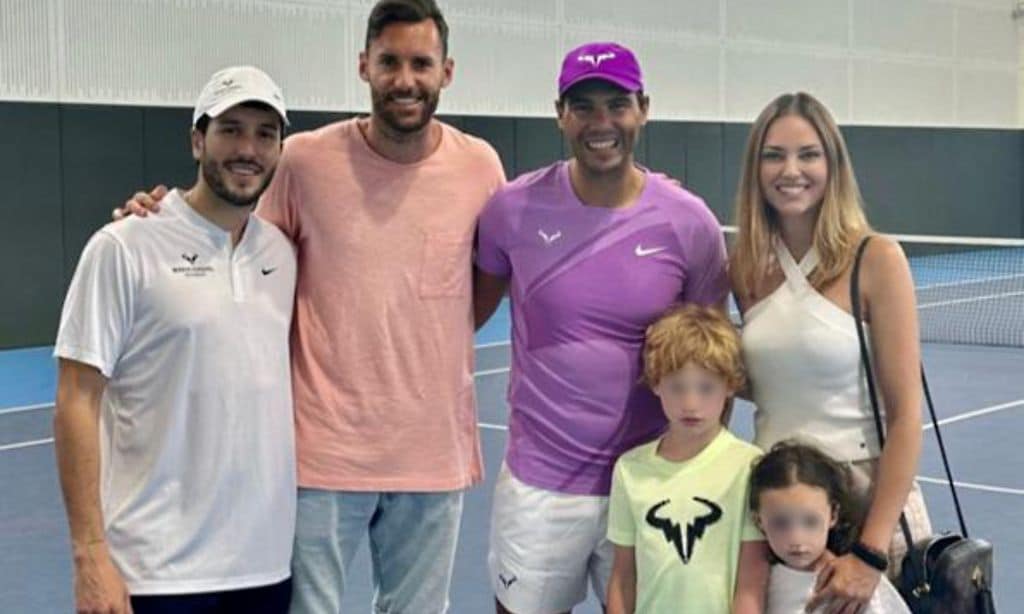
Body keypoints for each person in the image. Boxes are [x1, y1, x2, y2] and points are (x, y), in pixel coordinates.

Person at [118, 1, 506, 611]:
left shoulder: (479, 167)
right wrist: (162, 218)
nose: (405, 79)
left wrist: (433, 333)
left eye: (421, 64)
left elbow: (482, 289)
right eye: (390, 62)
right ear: (364, 66)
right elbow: (235, 237)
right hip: (321, 457)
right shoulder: (304, 160)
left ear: (447, 72)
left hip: (433, 456)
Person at [473, 42, 733, 614]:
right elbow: (462, 314)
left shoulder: (689, 224)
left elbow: (716, 361)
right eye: (583, 106)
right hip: (541, 485)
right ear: (560, 114)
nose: (601, 123)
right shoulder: (511, 211)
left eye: (616, 104)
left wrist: (702, 471)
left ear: (643, 108)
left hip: (651, 483)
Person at [53, 65, 296, 614]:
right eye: (230, 129)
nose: (248, 149)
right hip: (154, 574)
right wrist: (90, 554)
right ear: (196, 140)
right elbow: (75, 398)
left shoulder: (283, 253)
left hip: (265, 566)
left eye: (265, 133)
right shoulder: (123, 246)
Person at [731, 91, 931, 614]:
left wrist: (869, 552)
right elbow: (762, 379)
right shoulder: (745, 268)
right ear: (756, 167)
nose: (790, 170)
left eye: (808, 154)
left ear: (833, 165)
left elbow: (908, 415)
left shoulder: (877, 260)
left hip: (867, 502)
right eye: (773, 155)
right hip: (779, 507)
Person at [605, 304, 766, 614]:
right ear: (655, 383)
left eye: (706, 388)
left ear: (730, 386)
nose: (691, 403)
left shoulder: (749, 467)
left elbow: (751, 581)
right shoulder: (630, 470)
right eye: (677, 387)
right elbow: (623, 577)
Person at [749, 441, 910, 614]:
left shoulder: (857, 582)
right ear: (759, 521)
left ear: (833, 515)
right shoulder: (758, 586)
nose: (796, 539)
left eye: (811, 521)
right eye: (780, 523)